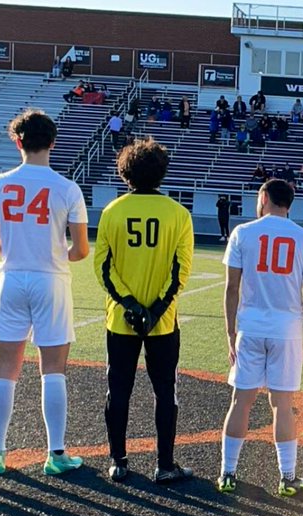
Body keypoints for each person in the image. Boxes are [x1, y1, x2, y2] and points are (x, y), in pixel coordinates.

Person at [0, 110, 91, 476]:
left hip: (11, 278)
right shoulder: (67, 188)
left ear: (18, 142)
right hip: (50, 280)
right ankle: (56, 454)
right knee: (53, 369)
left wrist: (17, 253)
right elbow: (81, 249)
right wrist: (54, 255)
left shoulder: (0, 183)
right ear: (53, 143)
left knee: (5, 369)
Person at [93, 139, 194, 483]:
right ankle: (164, 464)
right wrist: (155, 309)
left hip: (121, 321)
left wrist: (131, 305)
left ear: (125, 173)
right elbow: (180, 271)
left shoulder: (112, 211)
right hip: (162, 322)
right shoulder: (178, 214)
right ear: (162, 172)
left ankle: (118, 461)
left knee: (118, 389)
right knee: (165, 391)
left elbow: (103, 268)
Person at [218, 179, 303, 495]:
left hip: (250, 328)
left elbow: (232, 288)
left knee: (241, 401)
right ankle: (287, 477)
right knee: (282, 404)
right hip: (287, 331)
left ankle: (227, 473)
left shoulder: (242, 233)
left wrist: (230, 332)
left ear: (264, 197)